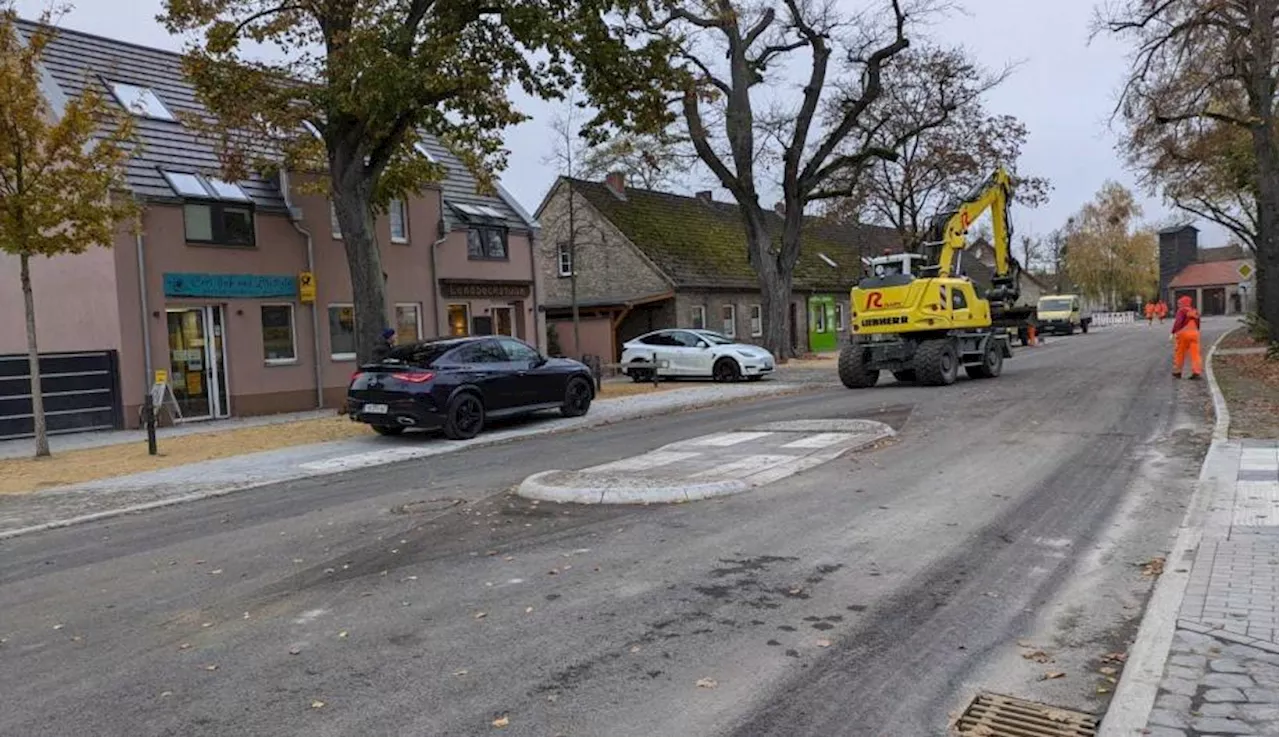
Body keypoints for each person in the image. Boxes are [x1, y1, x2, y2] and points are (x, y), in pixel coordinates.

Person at [1170, 295, 1202, 380]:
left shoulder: (1181, 311)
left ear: (1183, 303)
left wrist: (1173, 332)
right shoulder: (1194, 311)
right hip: (1194, 334)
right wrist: (1196, 332)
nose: (1178, 305)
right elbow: (1198, 323)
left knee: (1179, 353)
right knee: (1195, 354)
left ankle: (1178, 372)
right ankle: (1196, 371)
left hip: (1183, 334)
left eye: (1179, 303)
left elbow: (1178, 322)